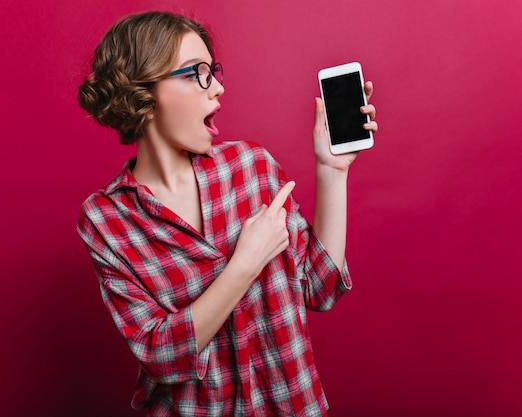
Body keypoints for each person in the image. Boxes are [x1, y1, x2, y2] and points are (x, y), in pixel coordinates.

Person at [76, 10, 378, 417]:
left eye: (213, 71)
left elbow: (320, 289)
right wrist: (245, 264)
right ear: (143, 91)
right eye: (196, 73)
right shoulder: (107, 219)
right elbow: (160, 355)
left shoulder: (251, 168)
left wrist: (332, 169)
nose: (218, 87)